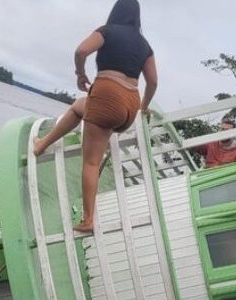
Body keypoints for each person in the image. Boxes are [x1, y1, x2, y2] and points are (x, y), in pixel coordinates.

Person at [33, 0, 158, 233]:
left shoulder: (107, 31)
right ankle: (41, 145)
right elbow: (152, 81)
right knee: (79, 107)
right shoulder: (145, 45)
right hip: (129, 105)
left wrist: (80, 74)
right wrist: (144, 106)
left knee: (91, 162)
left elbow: (81, 51)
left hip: (108, 98)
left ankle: (88, 219)